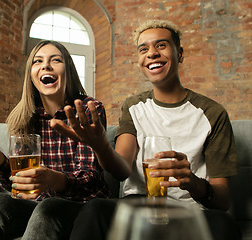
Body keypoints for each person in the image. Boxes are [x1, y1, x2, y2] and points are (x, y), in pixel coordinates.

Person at [51, 19, 241, 240]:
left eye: (161, 45)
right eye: (144, 49)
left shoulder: (212, 113)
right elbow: (122, 170)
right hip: (137, 207)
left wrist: (192, 181)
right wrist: (100, 144)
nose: (151, 53)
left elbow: (223, 199)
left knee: (224, 225)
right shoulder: (133, 107)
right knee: (94, 210)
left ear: (179, 54)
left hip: (189, 212)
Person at [0, 40, 110, 239]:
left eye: (56, 60)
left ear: (68, 70)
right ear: (31, 75)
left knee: (48, 207)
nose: (46, 65)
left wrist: (53, 179)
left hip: (83, 207)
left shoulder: (88, 109)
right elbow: (17, 185)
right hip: (37, 205)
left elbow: (92, 179)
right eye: (38, 61)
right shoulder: (24, 115)